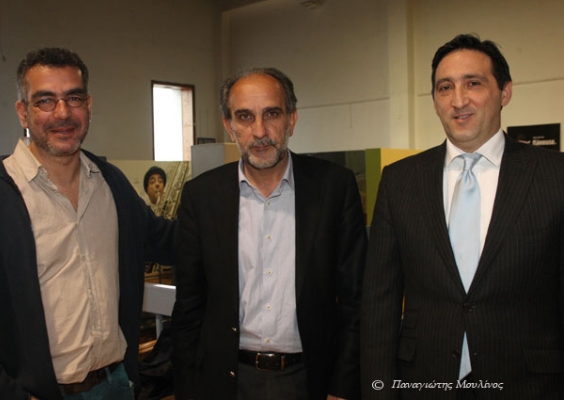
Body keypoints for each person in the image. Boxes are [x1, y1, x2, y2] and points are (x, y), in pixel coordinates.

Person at [360, 34, 564, 400]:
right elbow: (379, 301)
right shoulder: (399, 181)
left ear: (505, 92)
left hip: (528, 384)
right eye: (445, 88)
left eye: (473, 83)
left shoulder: (554, 175)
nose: (458, 100)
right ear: (435, 101)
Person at [0, 48, 175, 400]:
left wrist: (234, 209)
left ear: (88, 105)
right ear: (23, 112)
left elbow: (167, 240)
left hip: (116, 385)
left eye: (73, 98)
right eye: (45, 100)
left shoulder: (111, 184)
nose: (62, 113)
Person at [171, 67, 367, 400]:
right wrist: (188, 388)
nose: (260, 131)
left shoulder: (334, 187)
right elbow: (189, 306)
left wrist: (343, 386)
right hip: (226, 381)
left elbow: (356, 301)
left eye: (272, 114)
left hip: (311, 379)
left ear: (291, 119)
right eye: (245, 117)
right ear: (229, 126)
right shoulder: (201, 196)